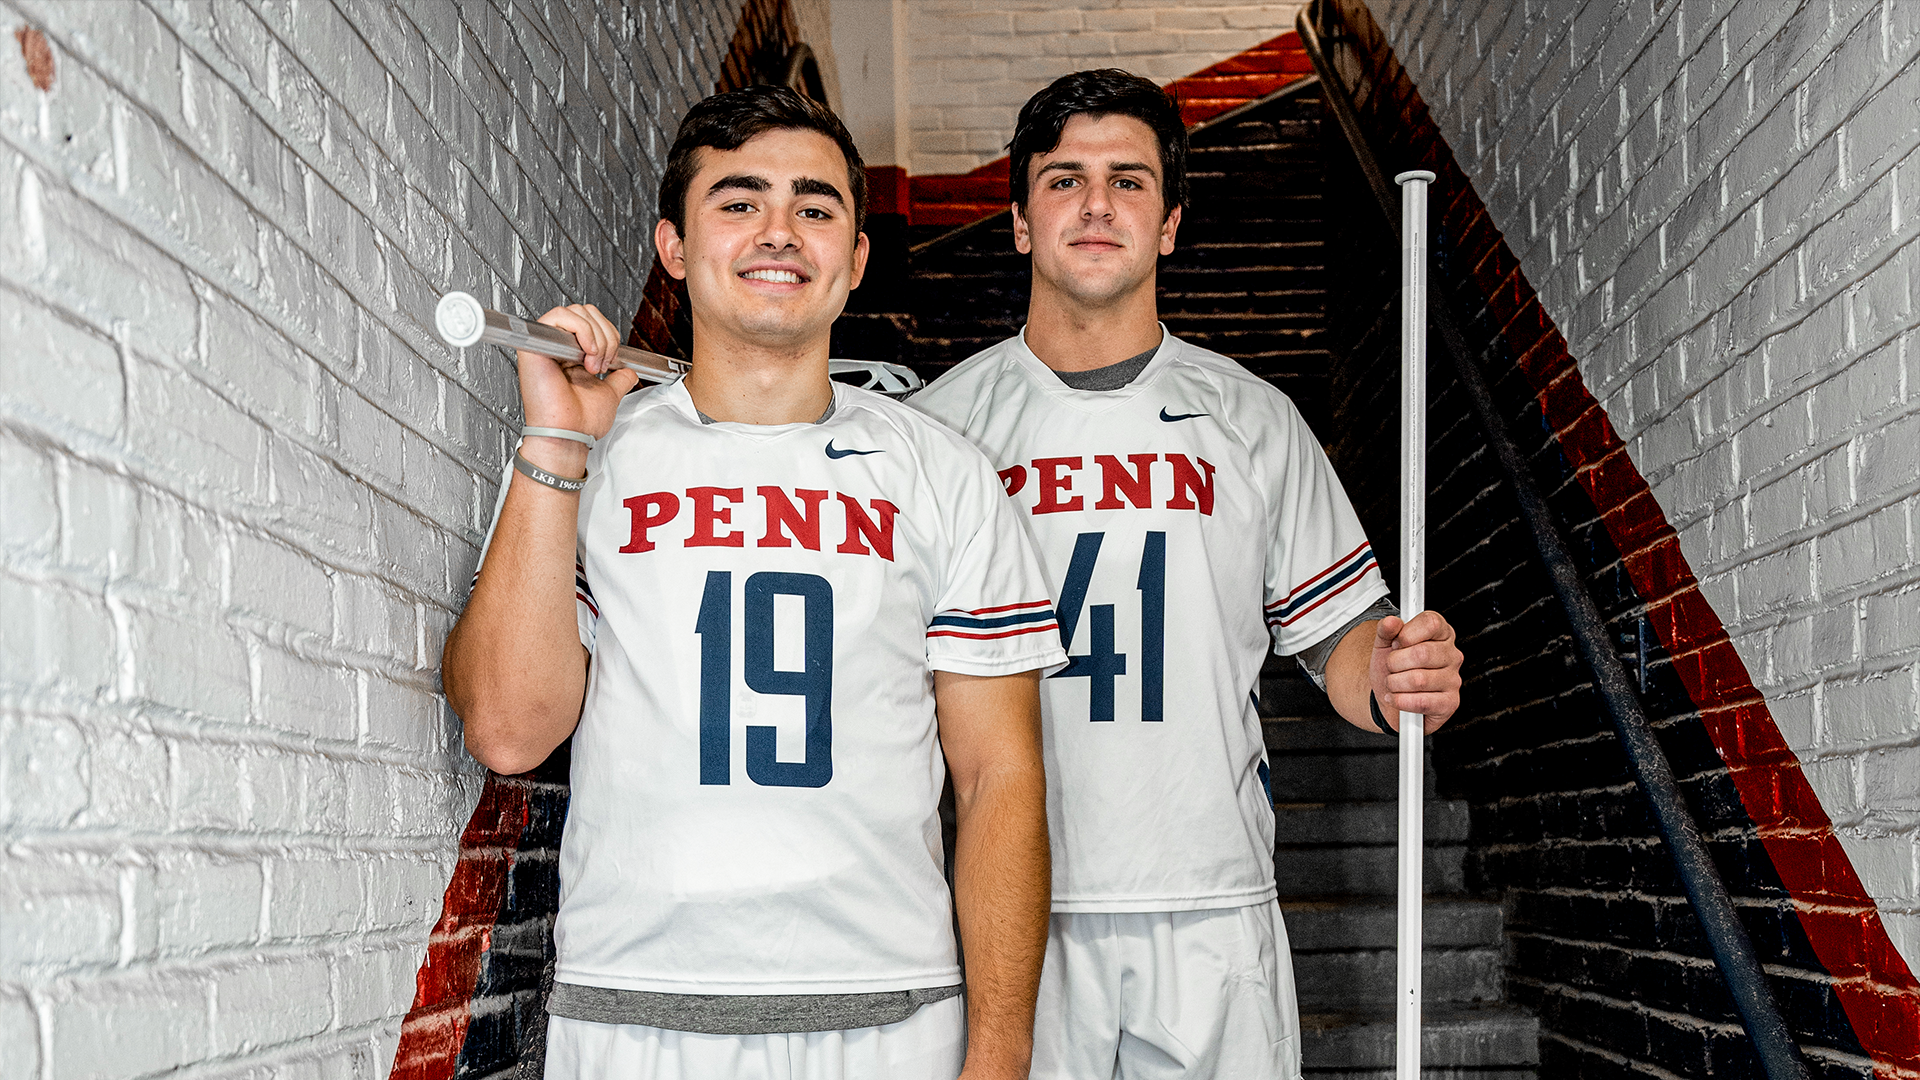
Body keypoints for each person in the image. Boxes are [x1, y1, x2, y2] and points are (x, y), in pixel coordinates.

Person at [441, 85, 1065, 1080]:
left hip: (889, 1017)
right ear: (674, 248)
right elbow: (511, 729)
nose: (779, 231)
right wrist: (556, 438)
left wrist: (998, 1050)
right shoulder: (599, 458)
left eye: (816, 208)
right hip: (633, 1013)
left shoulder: (944, 475)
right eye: (737, 202)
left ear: (855, 260)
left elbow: (1000, 778)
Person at [910, 69, 1466, 1080]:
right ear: (1022, 221)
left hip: (1210, 897)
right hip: (1007, 909)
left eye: (1128, 182)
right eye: (1064, 179)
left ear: (1170, 224)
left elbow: (1337, 638)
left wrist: (1389, 677)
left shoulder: (1251, 420)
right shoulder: (939, 431)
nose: (1094, 204)